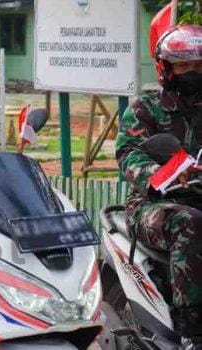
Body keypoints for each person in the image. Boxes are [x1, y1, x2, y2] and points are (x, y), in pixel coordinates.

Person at [117, 25, 202, 349]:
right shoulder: (146, 109)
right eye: (183, 66)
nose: (191, 73)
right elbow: (129, 155)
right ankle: (191, 330)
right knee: (189, 223)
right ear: (166, 69)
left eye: (198, 66)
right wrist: (163, 173)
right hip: (155, 204)